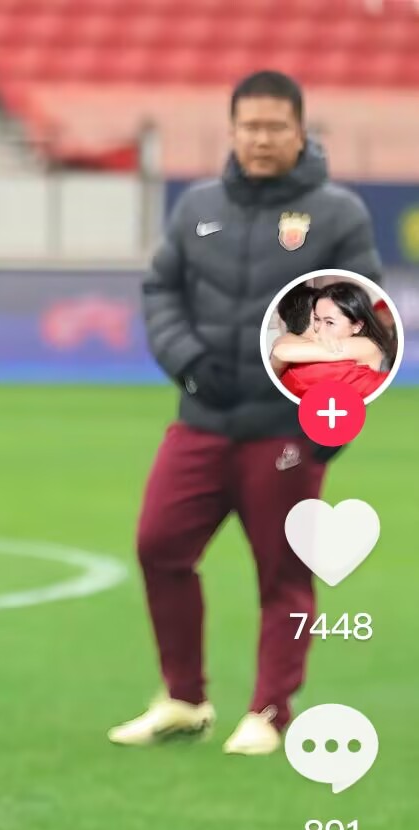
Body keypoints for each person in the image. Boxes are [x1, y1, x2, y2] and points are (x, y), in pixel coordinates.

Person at [110, 71, 382, 756]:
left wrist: (330, 422)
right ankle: (183, 699)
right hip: (200, 417)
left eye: (274, 127)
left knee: (282, 572)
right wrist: (186, 359)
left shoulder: (338, 214)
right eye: (249, 126)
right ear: (231, 131)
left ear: (299, 131)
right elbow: (161, 291)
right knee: (158, 545)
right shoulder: (197, 205)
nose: (261, 139)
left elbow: (363, 317)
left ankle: (270, 710)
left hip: (283, 428)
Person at [271, 281, 395, 400]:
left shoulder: (366, 345)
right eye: (317, 319)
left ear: (357, 326)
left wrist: (286, 339)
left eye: (330, 322)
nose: (319, 329)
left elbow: (280, 352)